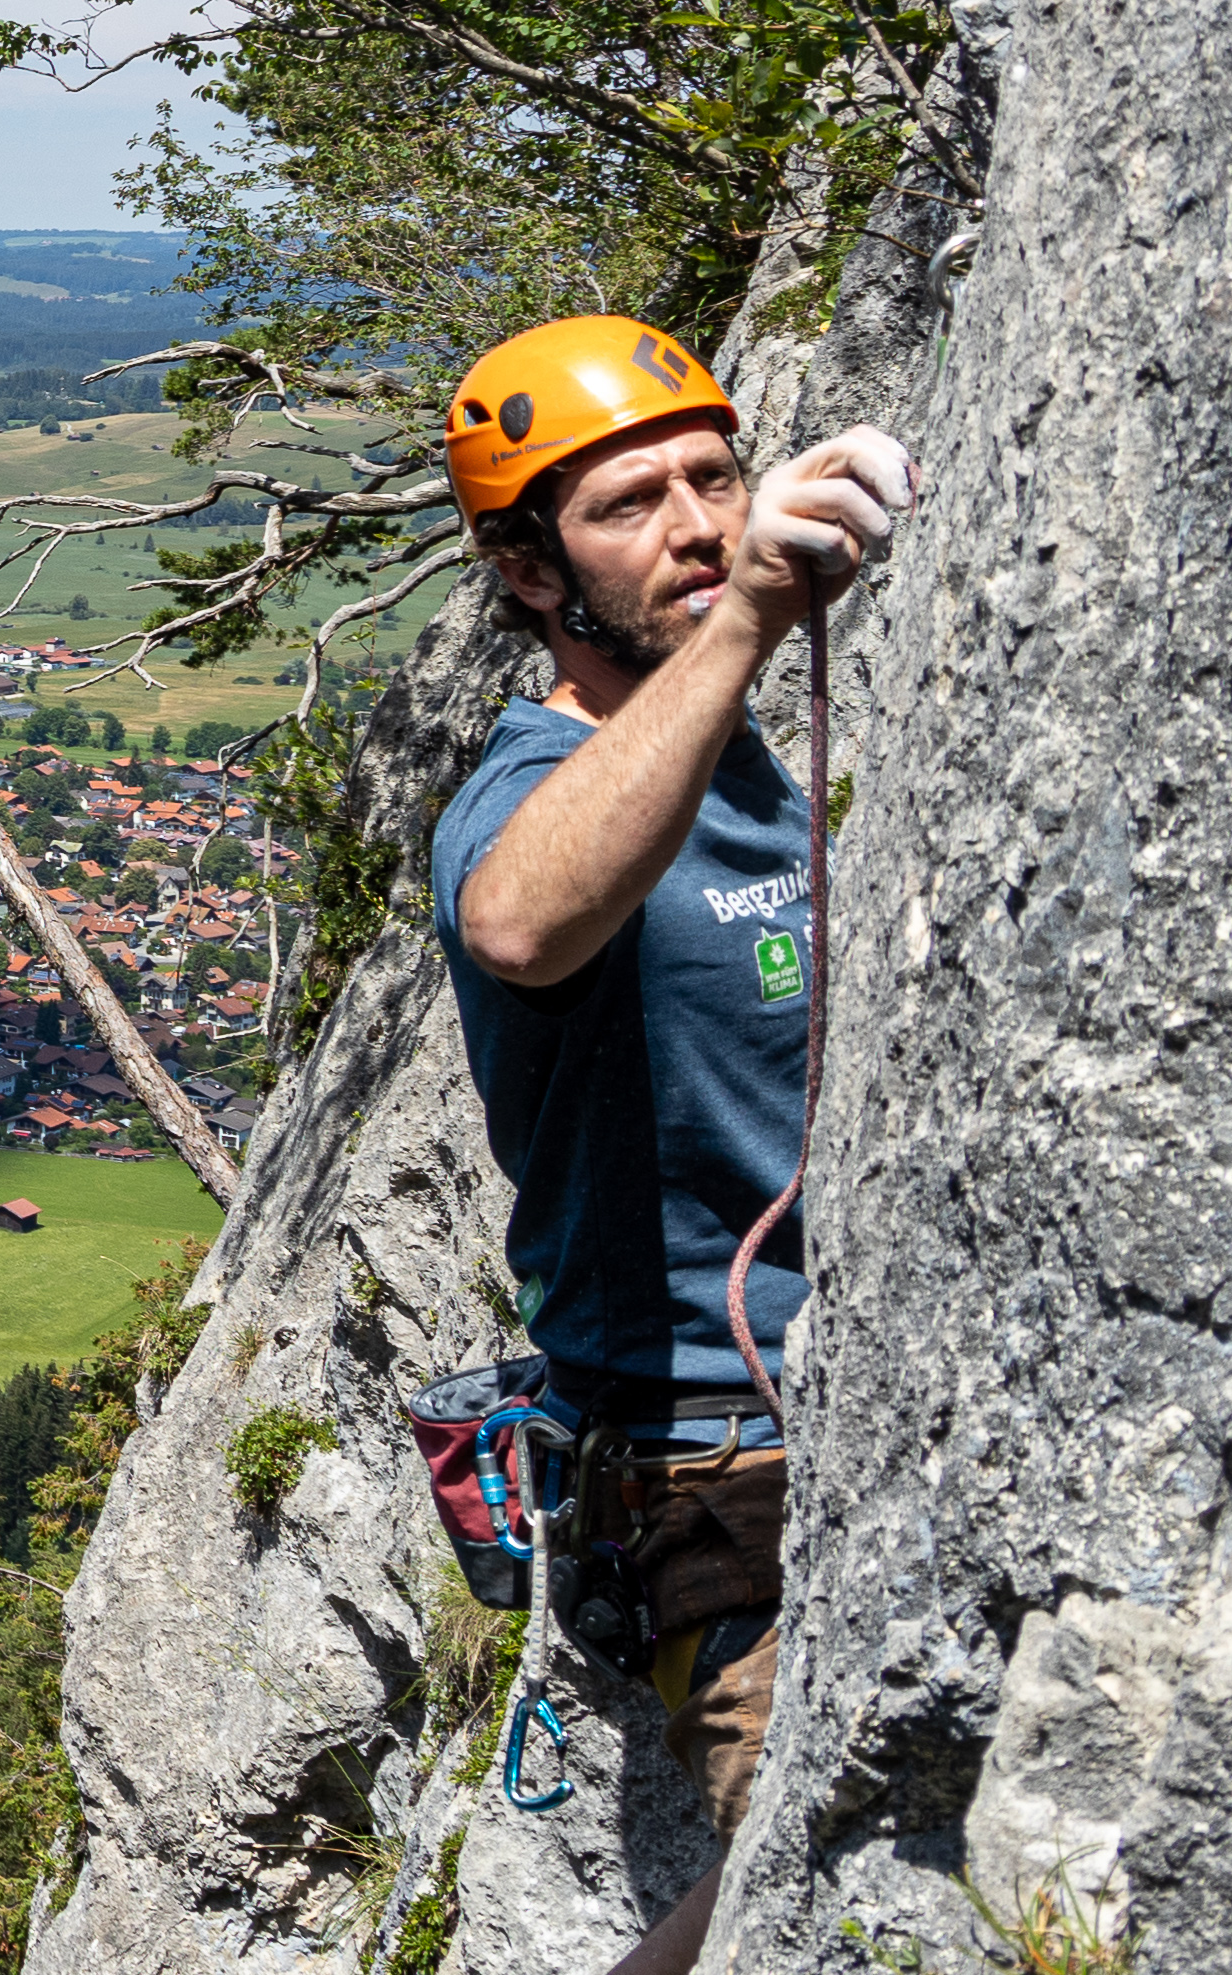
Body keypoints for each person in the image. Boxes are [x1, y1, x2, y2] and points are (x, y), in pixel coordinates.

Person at [427, 316, 914, 1975]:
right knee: (825, 1899)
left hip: (870, 1403)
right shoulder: (543, 781)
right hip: (710, 1460)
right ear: (526, 569)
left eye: (715, 476)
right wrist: (746, 632)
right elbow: (517, 921)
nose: (697, 524)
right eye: (629, 504)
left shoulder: (756, 757)